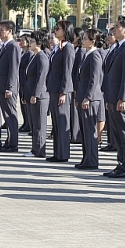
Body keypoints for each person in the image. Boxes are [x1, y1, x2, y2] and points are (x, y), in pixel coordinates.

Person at [103, 16, 125, 179]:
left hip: (122, 98)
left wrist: (123, 98)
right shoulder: (117, 47)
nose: (113, 29)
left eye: (117, 27)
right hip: (113, 96)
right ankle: (121, 163)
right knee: (117, 133)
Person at [47, 20, 75, 162]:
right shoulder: (58, 47)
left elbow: (67, 71)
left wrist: (64, 92)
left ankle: (63, 154)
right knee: (56, 122)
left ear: (65, 30)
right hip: (53, 88)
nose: (55, 31)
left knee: (62, 122)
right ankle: (57, 152)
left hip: (61, 90)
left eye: (58, 28)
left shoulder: (68, 47)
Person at [76, 28, 104, 170]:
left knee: (89, 130)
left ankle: (92, 160)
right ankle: (86, 158)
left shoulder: (95, 56)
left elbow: (95, 79)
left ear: (93, 41)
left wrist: (88, 97)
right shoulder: (87, 55)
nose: (83, 40)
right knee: (84, 130)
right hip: (83, 96)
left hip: (91, 98)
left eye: (86, 38)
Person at [0, 21, 22, 152]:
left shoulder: (13, 46)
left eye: (2, 30)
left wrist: (10, 87)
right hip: (1, 86)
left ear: (10, 31)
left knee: (11, 115)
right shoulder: (5, 46)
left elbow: (13, 69)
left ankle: (13, 143)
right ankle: (8, 141)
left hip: (8, 87)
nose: (0, 32)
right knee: (6, 115)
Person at [24, 30, 50, 158]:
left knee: (39, 124)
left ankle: (39, 150)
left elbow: (41, 77)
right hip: (31, 94)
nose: (30, 43)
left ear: (39, 43)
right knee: (34, 123)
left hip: (40, 96)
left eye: (32, 41)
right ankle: (34, 148)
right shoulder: (34, 56)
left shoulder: (42, 57)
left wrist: (36, 94)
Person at [17, 34, 33, 134]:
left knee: (26, 104)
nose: (21, 42)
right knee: (22, 104)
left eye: (23, 40)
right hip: (21, 81)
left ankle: (28, 123)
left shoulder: (30, 53)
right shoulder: (22, 52)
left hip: (25, 81)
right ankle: (25, 122)